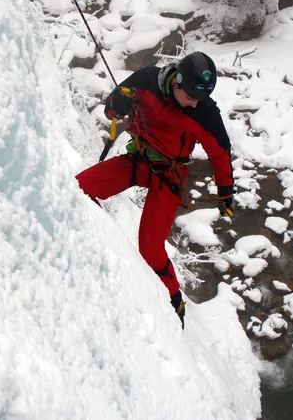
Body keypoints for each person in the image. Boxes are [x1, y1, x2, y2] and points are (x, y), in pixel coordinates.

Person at [75, 52, 234, 328]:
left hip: (169, 175)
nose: (195, 104)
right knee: (78, 188)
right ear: (176, 83)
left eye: (200, 99)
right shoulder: (146, 80)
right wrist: (118, 103)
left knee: (150, 248)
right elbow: (111, 111)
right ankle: (98, 243)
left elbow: (220, 153)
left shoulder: (205, 112)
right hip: (138, 159)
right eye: (191, 98)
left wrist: (225, 192)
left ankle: (174, 299)